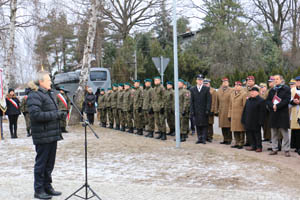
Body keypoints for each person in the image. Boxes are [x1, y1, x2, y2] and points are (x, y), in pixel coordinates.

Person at [27, 71, 65, 199]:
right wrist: (56, 115)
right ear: (41, 82)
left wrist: (58, 114)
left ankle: (47, 187)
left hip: (51, 134)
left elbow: (49, 111)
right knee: (41, 163)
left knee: (49, 164)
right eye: (48, 80)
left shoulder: (48, 94)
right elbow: (35, 115)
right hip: (42, 135)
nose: (51, 82)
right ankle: (38, 190)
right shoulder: (34, 95)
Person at [266, 75, 291, 157]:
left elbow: (287, 100)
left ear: (281, 80)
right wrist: (272, 105)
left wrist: (277, 106)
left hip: (282, 113)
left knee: (284, 132)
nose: (275, 80)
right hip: (273, 113)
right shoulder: (272, 90)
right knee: (274, 132)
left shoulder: (286, 89)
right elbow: (268, 100)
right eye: (274, 79)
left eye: (277, 79)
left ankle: (286, 149)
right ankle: (274, 149)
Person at [242, 87, 265, 152]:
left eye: (253, 91)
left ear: (257, 92)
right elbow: (245, 110)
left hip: (256, 121)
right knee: (250, 134)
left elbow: (263, 112)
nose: (251, 93)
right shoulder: (248, 100)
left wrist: (261, 121)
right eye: (251, 91)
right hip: (248, 120)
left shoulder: (261, 100)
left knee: (257, 134)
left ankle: (259, 147)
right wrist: (243, 119)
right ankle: (253, 146)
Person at [190, 74, 211, 144]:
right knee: (198, 125)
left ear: (203, 81)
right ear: (196, 81)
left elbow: (209, 100)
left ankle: (204, 138)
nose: (200, 81)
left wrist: (208, 109)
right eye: (198, 80)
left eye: (201, 80)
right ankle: (199, 138)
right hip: (196, 110)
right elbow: (191, 101)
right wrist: (192, 110)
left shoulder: (206, 89)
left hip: (204, 110)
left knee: (204, 125)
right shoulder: (193, 89)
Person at [228, 81, 247, 149]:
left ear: (241, 86)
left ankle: (241, 143)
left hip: (240, 114)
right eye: (235, 85)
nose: (236, 86)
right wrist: (229, 115)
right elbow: (230, 105)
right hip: (233, 114)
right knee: (234, 129)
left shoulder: (244, 94)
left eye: (238, 85)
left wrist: (245, 115)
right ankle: (236, 142)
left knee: (241, 129)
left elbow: (245, 106)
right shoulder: (232, 94)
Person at [216, 77, 233, 145]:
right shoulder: (219, 91)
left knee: (228, 126)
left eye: (226, 82)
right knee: (222, 126)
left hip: (228, 110)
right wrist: (216, 110)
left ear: (228, 83)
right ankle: (225, 139)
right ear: (222, 83)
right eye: (224, 82)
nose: (225, 83)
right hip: (221, 111)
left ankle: (229, 139)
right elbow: (217, 101)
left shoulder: (231, 90)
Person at [290, 76, 300, 156]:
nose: (298, 82)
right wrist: (293, 101)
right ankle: (296, 146)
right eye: (297, 81)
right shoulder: (292, 90)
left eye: (299, 81)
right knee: (295, 130)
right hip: (294, 110)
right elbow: (289, 100)